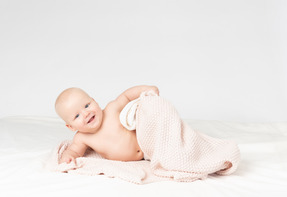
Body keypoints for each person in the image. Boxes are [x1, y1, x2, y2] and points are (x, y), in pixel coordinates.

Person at [55, 85, 159, 164]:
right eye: (77, 116)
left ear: (94, 101)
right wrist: (68, 157)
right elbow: (74, 151)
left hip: (152, 145)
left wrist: (145, 89)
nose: (86, 113)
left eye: (87, 105)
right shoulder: (81, 138)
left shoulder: (111, 109)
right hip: (143, 161)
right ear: (71, 127)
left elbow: (126, 96)